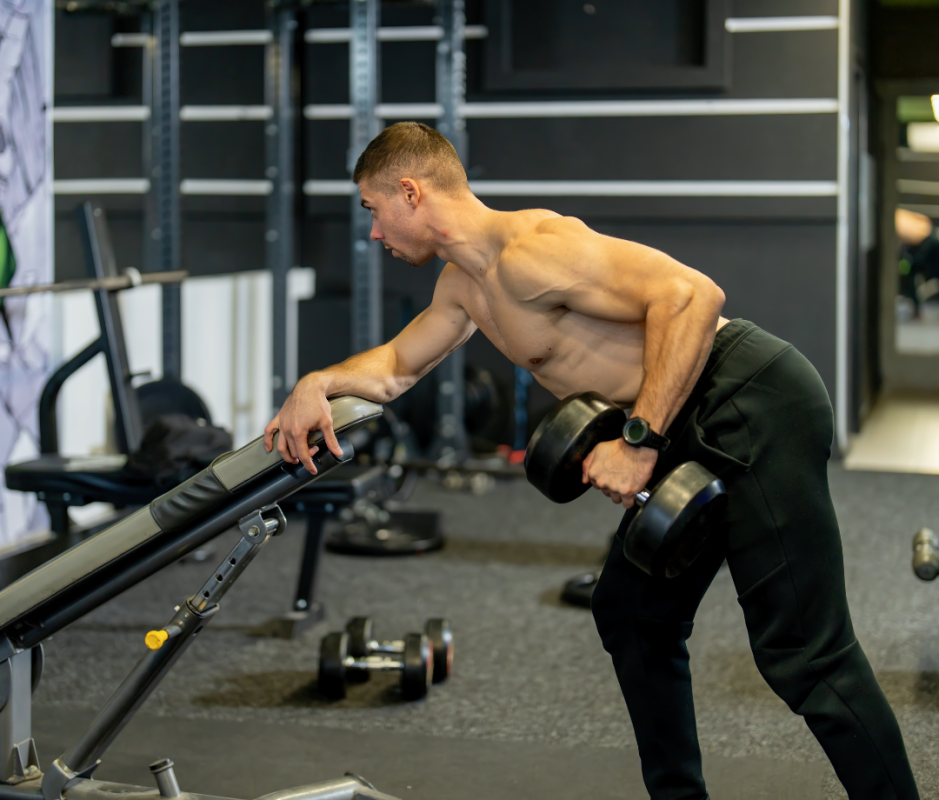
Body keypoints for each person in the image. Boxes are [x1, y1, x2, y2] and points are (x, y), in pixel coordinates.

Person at [264, 122, 919, 799]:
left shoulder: (534, 251)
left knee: (803, 653)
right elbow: (397, 366)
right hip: (685, 418)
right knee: (632, 614)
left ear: (410, 191)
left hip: (750, 398)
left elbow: (691, 296)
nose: (372, 233)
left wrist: (638, 443)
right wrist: (317, 382)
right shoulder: (463, 288)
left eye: (373, 210)